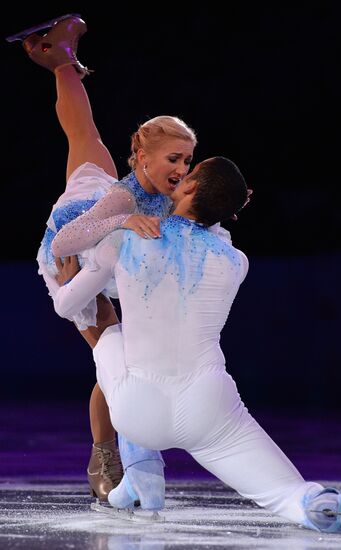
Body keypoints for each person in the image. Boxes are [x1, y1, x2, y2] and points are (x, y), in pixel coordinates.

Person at [52, 157, 341, 533]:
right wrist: (226, 202)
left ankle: (142, 478)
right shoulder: (236, 261)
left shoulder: (128, 238)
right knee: (287, 491)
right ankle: (314, 504)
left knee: (111, 335)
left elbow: (68, 306)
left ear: (188, 188)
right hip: (209, 407)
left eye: (189, 174)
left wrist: (67, 281)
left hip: (137, 410)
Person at [7, 13, 197, 502]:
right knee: (115, 357)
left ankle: (61, 57)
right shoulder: (124, 199)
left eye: (186, 160)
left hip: (95, 214)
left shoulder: (159, 189)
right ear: (142, 158)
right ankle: (103, 452)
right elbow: (72, 241)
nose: (181, 168)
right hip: (75, 254)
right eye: (172, 159)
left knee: (82, 133)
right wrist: (118, 225)